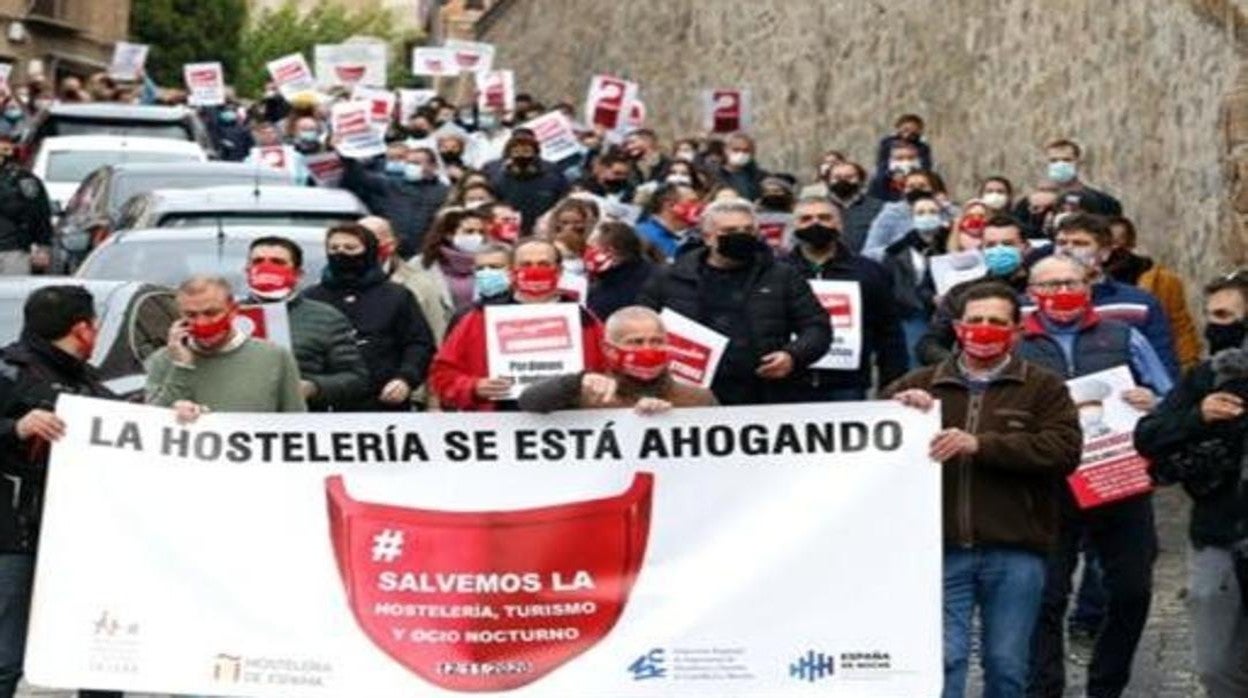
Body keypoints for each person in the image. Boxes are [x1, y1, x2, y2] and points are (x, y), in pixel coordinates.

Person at [886, 280, 1082, 698]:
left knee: (1007, 666)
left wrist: (982, 446)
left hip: (1015, 549)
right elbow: (872, 443)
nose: (984, 328)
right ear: (957, 327)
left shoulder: (1043, 386)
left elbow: (1064, 451)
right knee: (944, 661)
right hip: (939, 549)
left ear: (1017, 331)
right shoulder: (919, 382)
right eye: (975, 320)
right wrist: (897, 407)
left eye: (996, 321)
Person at [1018, 255, 1169, 698]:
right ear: (1031, 293)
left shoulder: (1124, 335)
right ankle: (1044, 688)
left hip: (1118, 481)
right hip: (1047, 487)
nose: (1061, 292)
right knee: (1045, 597)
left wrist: (1152, 401)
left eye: (1070, 282)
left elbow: (1168, 395)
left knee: (1132, 591)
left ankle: (1107, 684)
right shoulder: (1015, 342)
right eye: (1049, 285)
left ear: (1088, 285)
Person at [0, 286, 121, 698]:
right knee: (5, 658)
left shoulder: (83, 380)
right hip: (14, 536)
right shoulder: (8, 373)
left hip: (79, 536)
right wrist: (16, 428)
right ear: (83, 328)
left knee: (103, 658)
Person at [1135, 271, 1248, 698]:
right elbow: (1149, 436)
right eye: (1211, 315)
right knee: (1216, 665)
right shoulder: (1205, 377)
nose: (1214, 325)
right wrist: (1198, 416)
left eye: (1225, 315)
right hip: (1218, 533)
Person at [637, 199, 831, 405]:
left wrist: (793, 356)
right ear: (708, 237)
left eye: (748, 229)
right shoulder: (669, 277)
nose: (741, 235)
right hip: (689, 395)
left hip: (765, 393)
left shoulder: (782, 275)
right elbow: (638, 325)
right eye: (730, 231)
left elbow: (817, 327)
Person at [429, 238, 607, 411]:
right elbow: (442, 375)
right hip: (501, 427)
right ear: (511, 271)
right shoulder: (480, 317)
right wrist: (474, 387)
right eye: (526, 264)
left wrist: (595, 386)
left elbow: (610, 374)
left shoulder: (584, 320)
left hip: (572, 426)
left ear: (559, 271)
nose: (534, 270)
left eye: (544, 264)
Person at [782, 196, 906, 400]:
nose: (815, 223)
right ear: (794, 226)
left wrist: (892, 383)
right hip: (790, 382)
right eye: (806, 219)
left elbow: (889, 331)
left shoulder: (869, 272)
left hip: (848, 384)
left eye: (824, 217)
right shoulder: (777, 271)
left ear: (839, 224)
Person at [302, 223, 435, 411]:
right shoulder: (311, 297)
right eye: (334, 248)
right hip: (325, 404)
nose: (341, 254)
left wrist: (405, 379)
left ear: (369, 252)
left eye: (350, 248)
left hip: (384, 402)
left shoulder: (397, 296)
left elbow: (419, 344)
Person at [146, 276, 306, 416]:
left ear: (233, 311)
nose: (202, 323)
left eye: (211, 313)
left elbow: (296, 422)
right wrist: (181, 366)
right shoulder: (162, 360)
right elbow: (149, 424)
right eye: (191, 315)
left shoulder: (274, 357)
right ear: (180, 316)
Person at [243, 236, 370, 412]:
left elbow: (355, 379)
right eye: (258, 261)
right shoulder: (226, 315)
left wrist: (313, 387)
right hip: (237, 422)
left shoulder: (326, 318)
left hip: (301, 424)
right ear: (247, 270)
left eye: (278, 262)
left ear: (298, 274)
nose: (266, 267)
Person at [1046, 214, 1180, 379]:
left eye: (1080, 243)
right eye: (1061, 243)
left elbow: (1164, 365)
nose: (1067, 250)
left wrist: (1154, 396)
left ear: (1104, 253)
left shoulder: (1139, 305)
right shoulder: (1028, 305)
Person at [519, 306, 716, 413]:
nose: (648, 349)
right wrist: (576, 382)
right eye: (635, 342)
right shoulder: (588, 395)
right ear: (608, 349)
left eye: (656, 341)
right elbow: (529, 402)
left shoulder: (698, 399)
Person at [916, 214, 1032, 366]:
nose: (999, 250)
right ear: (982, 250)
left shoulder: (1043, 287)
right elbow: (930, 343)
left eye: (1008, 244)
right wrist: (961, 367)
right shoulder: (962, 293)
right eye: (991, 245)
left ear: (1025, 247)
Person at [1105, 215, 1201, 372]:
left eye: (1119, 243)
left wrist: (1187, 364)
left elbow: (1180, 324)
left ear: (1131, 244)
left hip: (1154, 362)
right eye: (1108, 243)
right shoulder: (1089, 282)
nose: (1114, 249)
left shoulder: (1163, 281)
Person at [880, 193, 948, 367]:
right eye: (921, 212)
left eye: (933, 211)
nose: (927, 216)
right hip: (913, 312)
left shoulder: (950, 245)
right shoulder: (896, 251)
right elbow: (893, 287)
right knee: (915, 360)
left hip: (947, 312)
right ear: (912, 217)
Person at [405, 208, 491, 339]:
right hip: (438, 336)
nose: (477, 237)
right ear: (449, 234)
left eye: (481, 232)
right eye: (469, 231)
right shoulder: (421, 264)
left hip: (481, 334)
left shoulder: (491, 261)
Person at [861, 169, 955, 260]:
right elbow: (869, 253)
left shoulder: (947, 211)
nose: (916, 190)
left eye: (922, 186)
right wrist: (898, 249)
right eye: (910, 187)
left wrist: (946, 207)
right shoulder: (892, 213)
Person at [490, 131, 569, 236]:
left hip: (546, 231)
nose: (521, 155)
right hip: (511, 232)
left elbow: (562, 201)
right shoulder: (499, 180)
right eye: (516, 152)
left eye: (526, 151)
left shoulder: (553, 178)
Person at [0, 134, 51, 275]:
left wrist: (43, 246)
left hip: (13, 250)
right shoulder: (26, 180)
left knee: (12, 293)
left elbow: (39, 213)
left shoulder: (24, 181)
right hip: (14, 249)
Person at [585, 221, 656, 320]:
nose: (587, 252)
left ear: (611, 251)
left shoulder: (649, 280)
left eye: (592, 247)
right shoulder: (601, 276)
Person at [1035, 139, 1122, 217]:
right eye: (1053, 160)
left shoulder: (1104, 202)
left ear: (1079, 163)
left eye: (1067, 160)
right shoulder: (1035, 203)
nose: (1060, 165)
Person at [825, 161, 885, 254]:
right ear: (828, 181)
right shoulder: (816, 208)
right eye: (837, 177)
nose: (843, 180)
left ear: (861, 180)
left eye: (849, 177)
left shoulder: (880, 208)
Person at [635, 182, 701, 260]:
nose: (699, 206)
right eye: (692, 202)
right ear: (671, 205)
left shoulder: (697, 237)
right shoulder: (640, 235)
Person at [867, 137, 923, 203]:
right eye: (899, 158)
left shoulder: (928, 181)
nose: (906, 162)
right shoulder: (879, 182)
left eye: (911, 158)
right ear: (890, 161)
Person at [716, 133, 767, 201]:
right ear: (726, 150)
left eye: (746, 151)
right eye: (736, 150)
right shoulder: (713, 176)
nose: (741, 154)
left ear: (752, 153)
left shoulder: (760, 177)